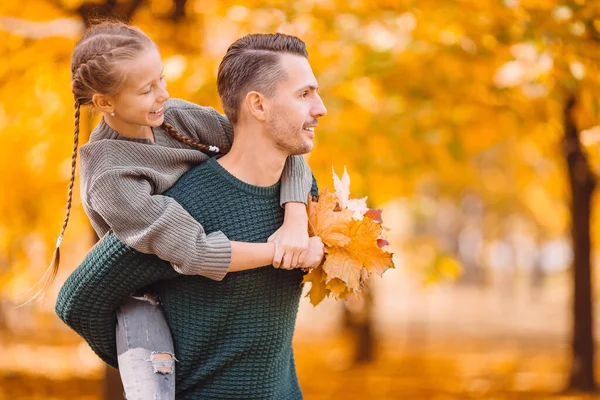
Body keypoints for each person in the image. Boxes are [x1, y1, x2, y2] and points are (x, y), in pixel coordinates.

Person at [43, 21, 320, 399]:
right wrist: (283, 253)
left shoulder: (175, 116)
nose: (163, 95)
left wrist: (294, 219)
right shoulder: (112, 176)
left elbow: (271, 142)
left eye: (161, 79)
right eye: (146, 90)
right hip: (157, 266)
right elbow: (196, 250)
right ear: (104, 102)